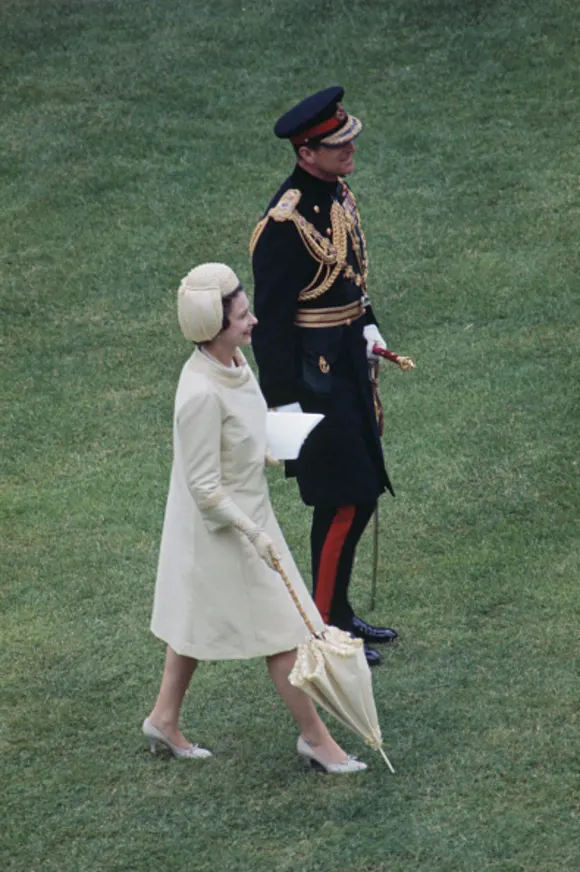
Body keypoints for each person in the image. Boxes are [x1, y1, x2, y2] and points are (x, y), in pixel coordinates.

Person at [143, 262, 367, 774]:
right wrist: (253, 534)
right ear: (215, 328)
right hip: (226, 529)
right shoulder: (198, 393)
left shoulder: (233, 361)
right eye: (242, 316)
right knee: (283, 632)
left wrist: (268, 446)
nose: (254, 321)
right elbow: (204, 489)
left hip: (250, 514)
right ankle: (317, 741)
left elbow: (240, 430)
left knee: (194, 622)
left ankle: (163, 718)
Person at [250, 86, 398, 667]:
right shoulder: (284, 223)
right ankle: (324, 628)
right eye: (338, 143)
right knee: (344, 501)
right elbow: (271, 328)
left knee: (359, 497)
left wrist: (369, 328)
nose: (350, 146)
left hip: (345, 368)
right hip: (311, 385)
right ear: (306, 152)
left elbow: (351, 278)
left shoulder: (338, 195)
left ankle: (336, 610)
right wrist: (283, 414)